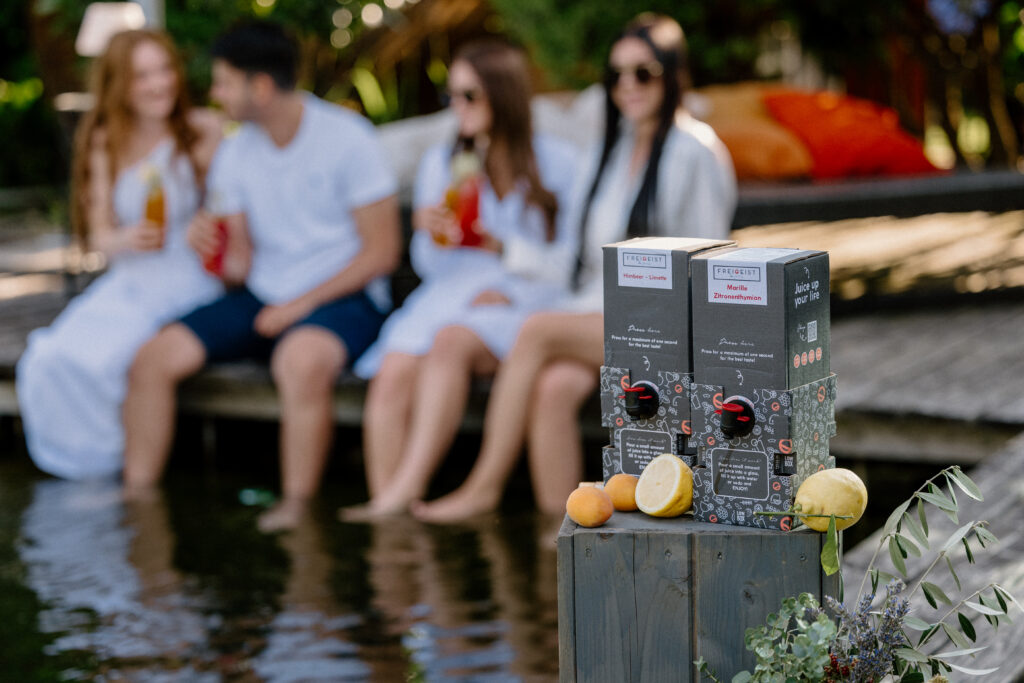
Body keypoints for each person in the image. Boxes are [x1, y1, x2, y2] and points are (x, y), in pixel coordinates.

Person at [412, 13, 737, 523]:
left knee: (538, 330)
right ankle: (560, 537)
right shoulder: (606, 151)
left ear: (673, 74)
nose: (627, 86)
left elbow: (709, 265)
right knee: (552, 390)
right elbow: (575, 264)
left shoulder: (696, 152)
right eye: (616, 76)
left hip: (667, 325)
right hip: (597, 311)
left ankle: (482, 487)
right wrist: (503, 249)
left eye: (642, 73)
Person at [121, 21, 401, 531]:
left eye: (225, 81)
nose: (216, 93)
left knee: (300, 362)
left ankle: (297, 509)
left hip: (347, 295)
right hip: (264, 295)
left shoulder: (348, 139)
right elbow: (238, 268)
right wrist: (207, 243)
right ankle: (139, 500)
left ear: (262, 86)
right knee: (152, 358)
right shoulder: (236, 150)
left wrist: (299, 306)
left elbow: (381, 253)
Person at [341, 40, 578, 519]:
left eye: (470, 96)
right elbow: (430, 265)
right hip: (449, 292)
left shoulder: (560, 162)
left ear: (503, 95)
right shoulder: (443, 162)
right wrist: (428, 234)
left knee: (450, 343)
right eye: (453, 96)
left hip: (524, 298)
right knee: (393, 372)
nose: (458, 108)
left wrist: (501, 253)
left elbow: (566, 263)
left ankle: (404, 492)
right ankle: (390, 511)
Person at [16, 29, 226, 480]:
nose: (158, 84)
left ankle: (123, 464)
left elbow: (231, 207)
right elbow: (98, 238)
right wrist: (126, 239)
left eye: (164, 70)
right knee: (49, 358)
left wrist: (205, 223)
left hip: (188, 272)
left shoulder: (203, 129)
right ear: (119, 84)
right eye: (142, 75)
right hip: (131, 276)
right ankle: (82, 468)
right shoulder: (105, 140)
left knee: (109, 360)